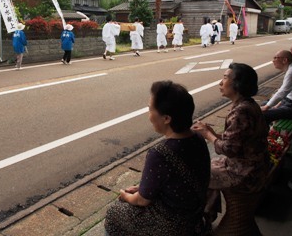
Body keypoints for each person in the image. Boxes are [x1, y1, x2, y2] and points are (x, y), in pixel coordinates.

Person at [105, 81, 210, 235]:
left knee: (114, 212)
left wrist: (126, 197)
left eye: (150, 109)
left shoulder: (160, 153)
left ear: (166, 118)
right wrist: (143, 188)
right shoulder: (198, 138)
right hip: (194, 216)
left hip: (172, 224)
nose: (149, 116)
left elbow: (142, 200)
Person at [192, 63, 270, 229]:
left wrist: (207, 134)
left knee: (196, 173)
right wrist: (214, 133)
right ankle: (207, 214)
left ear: (238, 84)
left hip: (245, 173)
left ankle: (202, 217)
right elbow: (239, 139)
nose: (220, 83)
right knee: (207, 167)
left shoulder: (241, 112)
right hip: (256, 166)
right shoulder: (249, 104)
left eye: (225, 78)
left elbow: (228, 149)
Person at [261, 50, 292, 124]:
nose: (273, 61)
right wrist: (274, 104)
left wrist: (266, 107)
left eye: (275, 58)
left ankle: (268, 134)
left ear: (285, 60)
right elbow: (285, 92)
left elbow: (282, 92)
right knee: (265, 103)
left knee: (263, 114)